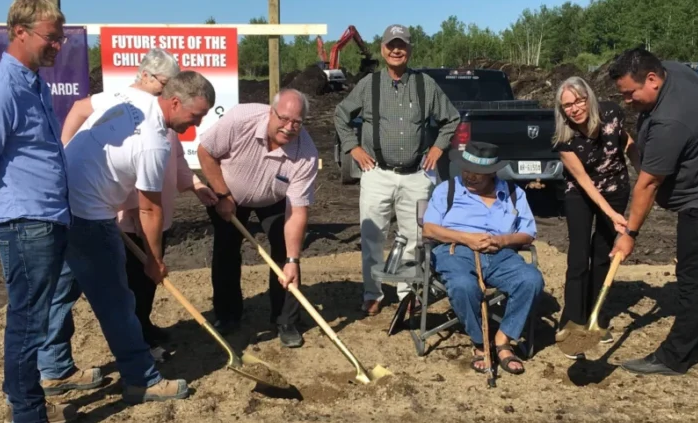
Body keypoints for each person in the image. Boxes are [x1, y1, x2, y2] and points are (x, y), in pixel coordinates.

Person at [0, 0, 81, 423]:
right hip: (26, 224)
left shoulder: (33, 85)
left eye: (60, 36)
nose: (58, 44)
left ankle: (27, 401)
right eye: (51, 36)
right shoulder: (0, 91)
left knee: (34, 317)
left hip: (45, 220)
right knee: (28, 321)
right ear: (19, 31)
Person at [57, 70, 213, 406]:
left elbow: (81, 108)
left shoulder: (133, 98)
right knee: (117, 301)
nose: (195, 125)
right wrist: (154, 261)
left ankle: (54, 368)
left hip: (59, 199)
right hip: (88, 214)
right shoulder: (155, 141)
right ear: (174, 101)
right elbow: (149, 211)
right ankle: (142, 379)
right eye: (194, 115)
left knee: (60, 292)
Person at [608, 48, 698, 376]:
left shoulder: (670, 120)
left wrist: (629, 234)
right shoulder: (674, 70)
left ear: (651, 79)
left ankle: (675, 356)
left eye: (630, 93)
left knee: (695, 277)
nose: (627, 101)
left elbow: (647, 185)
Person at [334, 24, 461, 316]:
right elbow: (341, 115)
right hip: (377, 174)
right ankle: (373, 293)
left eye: (401, 44)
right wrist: (353, 147)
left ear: (409, 50)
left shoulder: (425, 84)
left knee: (413, 238)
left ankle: (407, 293)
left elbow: (451, 119)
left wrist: (438, 147)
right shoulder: (369, 85)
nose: (396, 50)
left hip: (416, 175)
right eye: (391, 44)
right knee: (372, 236)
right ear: (382, 49)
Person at [196, 89, 318, 348]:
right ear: (271, 111)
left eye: (296, 122)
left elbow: (297, 212)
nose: (289, 127)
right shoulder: (241, 119)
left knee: (285, 252)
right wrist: (223, 194)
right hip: (227, 192)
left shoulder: (306, 155)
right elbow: (205, 152)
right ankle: (228, 315)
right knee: (226, 250)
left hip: (273, 198)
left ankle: (285, 319)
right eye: (284, 118)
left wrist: (293, 260)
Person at [422, 141, 545, 375]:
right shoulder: (446, 190)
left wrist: (502, 241)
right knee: (462, 285)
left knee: (531, 280)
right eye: (466, 170)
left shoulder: (513, 193)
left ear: (492, 173)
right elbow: (429, 230)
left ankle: (502, 339)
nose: (470, 176)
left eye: (478, 173)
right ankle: (480, 342)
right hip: (455, 250)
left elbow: (528, 233)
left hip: (501, 253)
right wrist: (466, 238)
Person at [551, 76, 640, 356]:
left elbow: (625, 141)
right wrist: (612, 213)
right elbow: (585, 182)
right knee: (579, 255)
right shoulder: (563, 139)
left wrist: (645, 171)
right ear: (561, 110)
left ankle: (597, 318)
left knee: (602, 253)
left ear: (589, 98)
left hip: (616, 187)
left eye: (579, 101)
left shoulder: (611, 113)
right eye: (567, 105)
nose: (574, 108)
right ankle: (573, 321)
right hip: (580, 192)